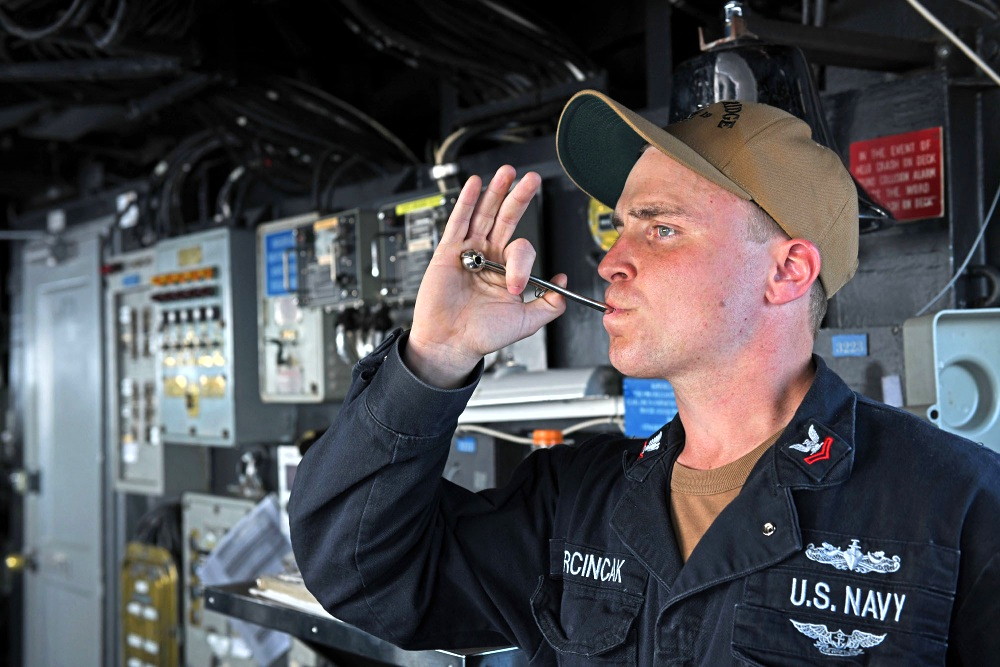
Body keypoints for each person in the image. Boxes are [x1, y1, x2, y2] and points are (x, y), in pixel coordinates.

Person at [288, 91, 1000, 665]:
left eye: (660, 228)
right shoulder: (573, 501)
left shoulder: (959, 508)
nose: (609, 261)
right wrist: (433, 357)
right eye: (617, 225)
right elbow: (361, 571)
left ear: (787, 272)